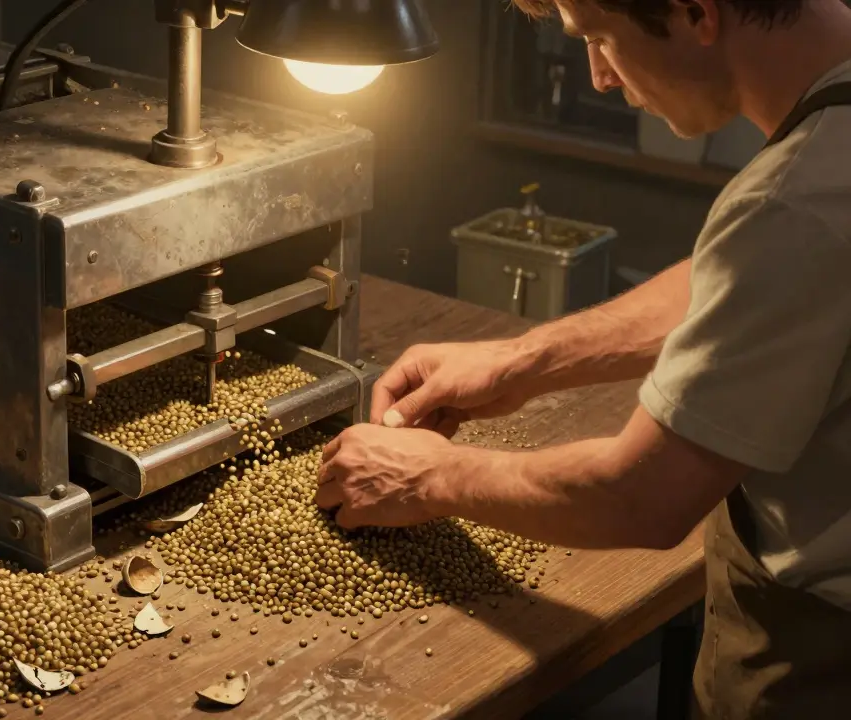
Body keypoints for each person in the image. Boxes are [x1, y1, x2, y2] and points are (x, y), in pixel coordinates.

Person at [316, 0, 851, 716]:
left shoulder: (801, 194)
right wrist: (525, 358)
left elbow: (644, 497)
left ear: (696, 11)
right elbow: (746, 276)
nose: (598, 76)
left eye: (600, 38)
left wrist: (429, 476)